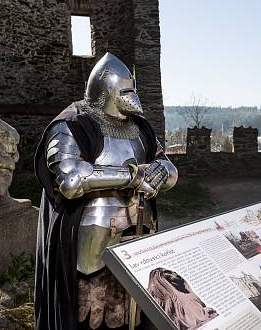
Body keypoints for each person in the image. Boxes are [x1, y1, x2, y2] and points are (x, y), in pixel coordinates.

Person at [34, 52, 178, 330]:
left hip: (140, 229)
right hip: (91, 232)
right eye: (125, 90)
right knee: (89, 309)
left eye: (132, 88)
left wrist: (160, 171)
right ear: (107, 91)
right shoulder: (73, 124)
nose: (131, 95)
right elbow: (72, 180)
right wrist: (133, 176)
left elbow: (169, 168)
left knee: (132, 311)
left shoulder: (140, 128)